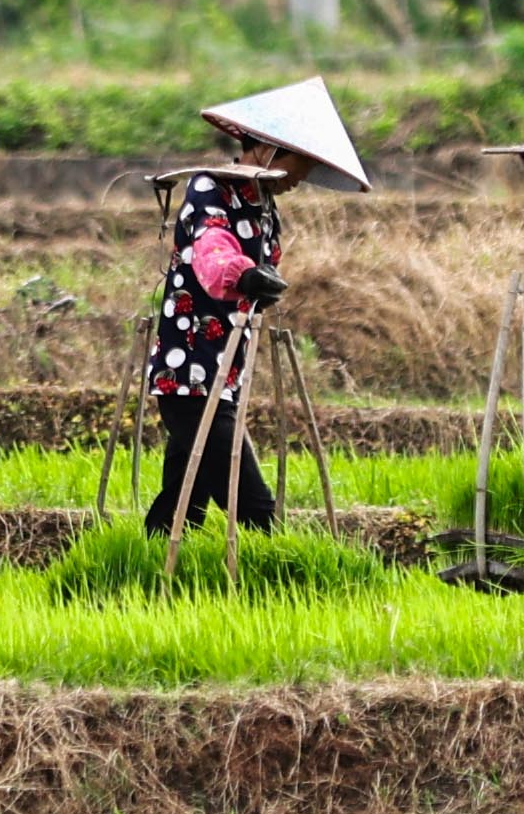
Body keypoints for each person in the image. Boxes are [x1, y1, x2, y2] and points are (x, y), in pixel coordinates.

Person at [143, 76, 365, 535]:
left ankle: (150, 568)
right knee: (254, 507)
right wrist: (243, 275)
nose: (301, 180)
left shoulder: (263, 205)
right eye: (299, 166)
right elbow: (212, 249)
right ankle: (285, 574)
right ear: (267, 151)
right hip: (190, 374)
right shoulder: (211, 190)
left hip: (224, 371)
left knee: (182, 503)